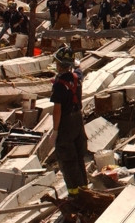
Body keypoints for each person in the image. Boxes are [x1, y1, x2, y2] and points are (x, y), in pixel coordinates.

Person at [51, 45, 89, 197]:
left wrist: (55, 131)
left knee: (68, 160)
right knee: (79, 157)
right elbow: (79, 69)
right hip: (78, 120)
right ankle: (85, 190)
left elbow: (57, 110)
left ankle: (75, 195)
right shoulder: (76, 77)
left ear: (59, 65)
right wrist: (77, 64)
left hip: (66, 123)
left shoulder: (59, 85)